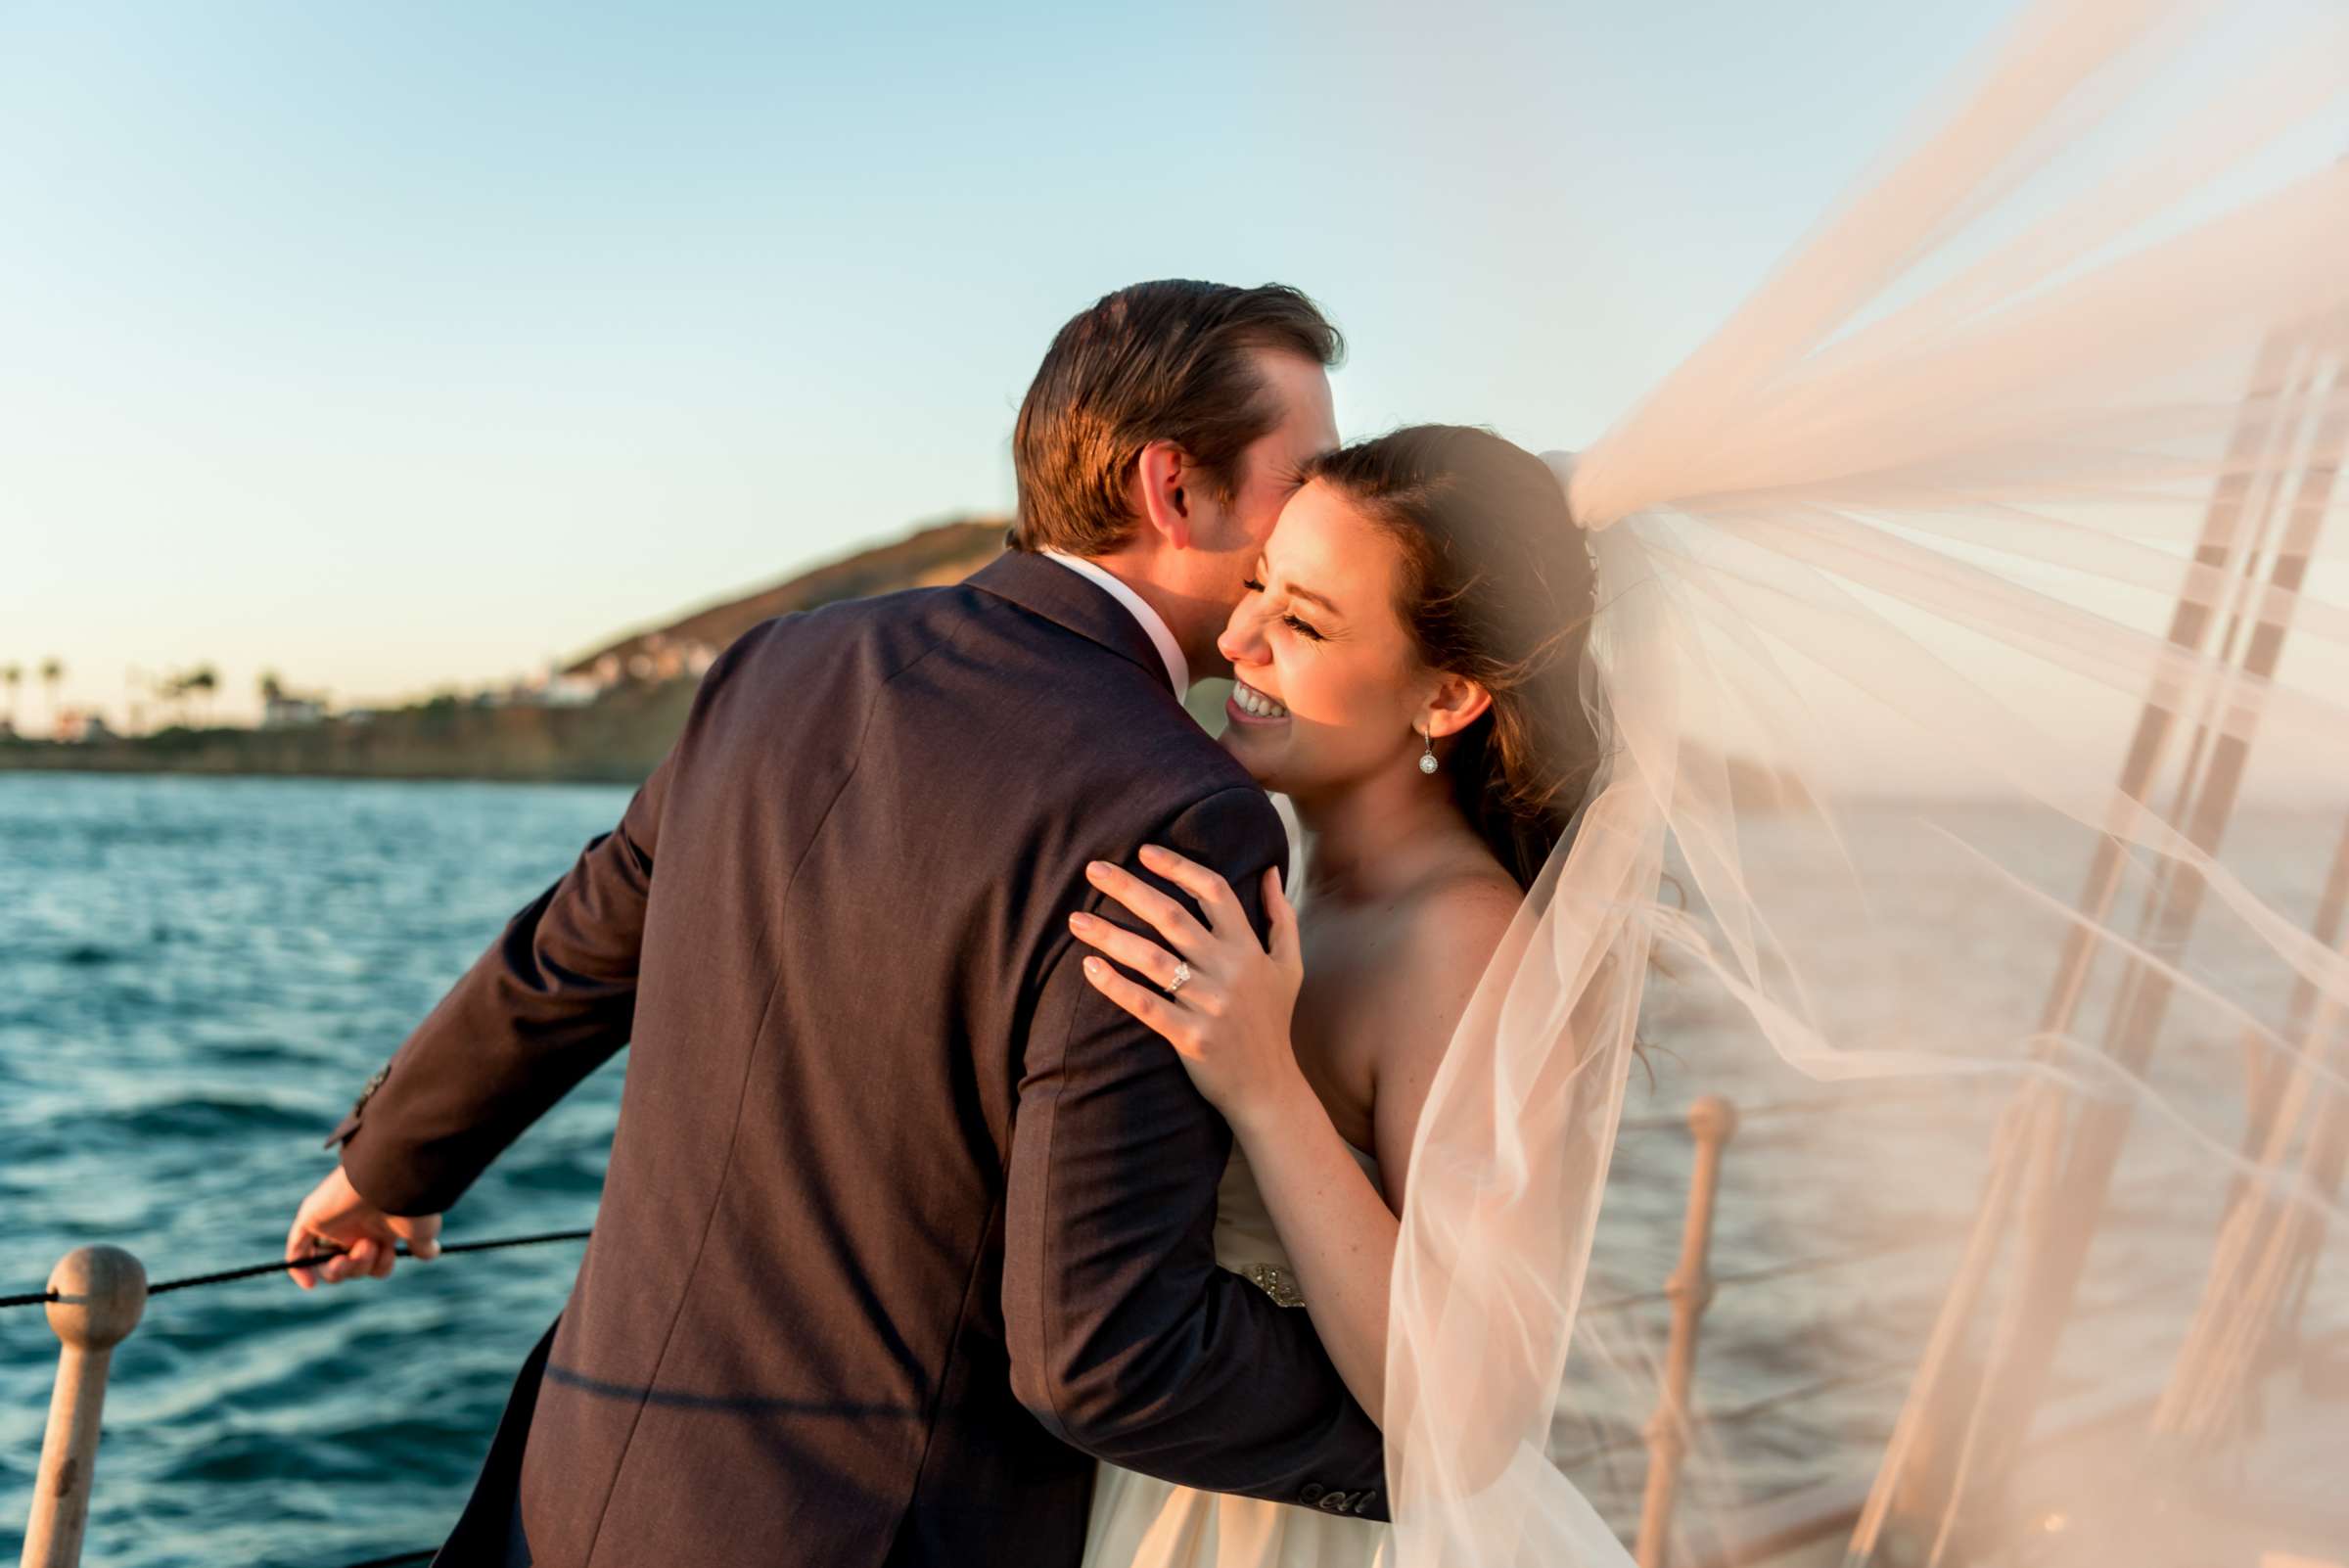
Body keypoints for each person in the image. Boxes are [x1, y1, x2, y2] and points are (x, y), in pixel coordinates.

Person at [280, 278, 1391, 1568]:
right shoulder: (1177, 807)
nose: (1320, 515)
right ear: (1174, 489)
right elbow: (1104, 1353)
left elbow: (572, 953)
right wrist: (1430, 1439)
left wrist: (386, 1166)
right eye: (1301, 476)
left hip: (580, 1491)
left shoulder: (779, 664)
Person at [1067, 425, 1608, 1568]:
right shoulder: (1299, 879)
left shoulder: (1458, 936)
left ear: (1447, 695)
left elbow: (1464, 1417)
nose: (1237, 637)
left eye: (1303, 622)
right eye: (1258, 583)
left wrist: (1265, 1088)